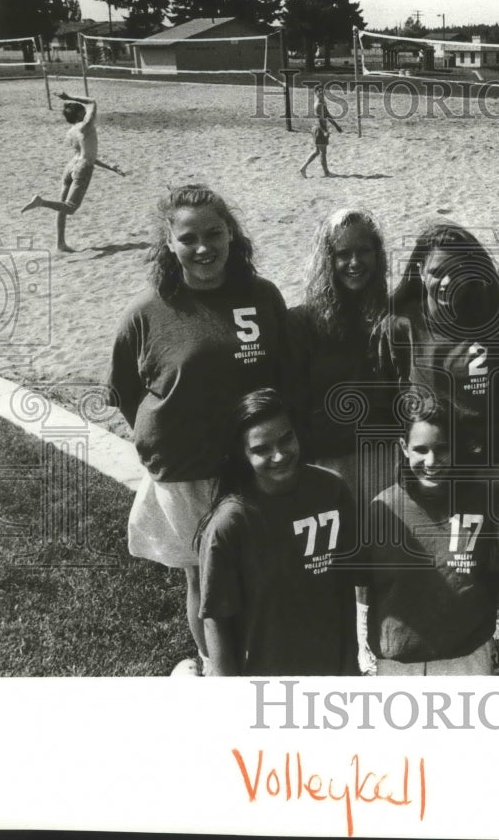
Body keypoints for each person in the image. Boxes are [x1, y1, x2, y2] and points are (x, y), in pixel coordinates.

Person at [107, 184, 288, 676]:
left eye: (214, 233)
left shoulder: (262, 296)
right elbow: (125, 389)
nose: (204, 247)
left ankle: (260, 660)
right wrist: (157, 438)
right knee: (204, 579)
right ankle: (216, 670)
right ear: (169, 242)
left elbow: (281, 373)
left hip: (252, 462)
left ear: (232, 233)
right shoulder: (147, 311)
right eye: (189, 238)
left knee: (258, 569)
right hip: (185, 468)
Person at [288, 206, 390, 675]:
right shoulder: (303, 322)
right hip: (328, 461)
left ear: (377, 255)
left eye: (363, 252)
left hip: (380, 454)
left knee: (373, 551)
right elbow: (292, 398)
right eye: (342, 254)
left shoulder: (388, 317)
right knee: (328, 557)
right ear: (326, 259)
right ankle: (334, 638)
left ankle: (369, 637)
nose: (354, 263)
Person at [196, 389, 359, 676]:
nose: (280, 455)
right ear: (242, 454)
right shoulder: (230, 523)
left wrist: (349, 667)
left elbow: (344, 587)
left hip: (330, 667)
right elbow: (216, 621)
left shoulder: (332, 490)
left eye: (287, 439)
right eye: (261, 449)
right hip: (263, 676)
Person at [362, 403, 499, 675]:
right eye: (420, 449)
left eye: (441, 449)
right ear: (404, 447)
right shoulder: (382, 508)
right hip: (399, 664)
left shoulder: (481, 502)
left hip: (467, 657)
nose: (431, 462)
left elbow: (495, 575)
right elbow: (364, 585)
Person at [376, 222, 499, 471]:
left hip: (490, 459)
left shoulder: (497, 321)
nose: (447, 282)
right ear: (421, 271)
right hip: (432, 464)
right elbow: (390, 390)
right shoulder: (401, 324)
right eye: (437, 272)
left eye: (458, 271)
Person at [21, 90, 127, 252]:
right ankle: (41, 202)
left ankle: (60, 244)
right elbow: (92, 101)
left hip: (70, 166)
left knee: (62, 207)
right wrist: (69, 97)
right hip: (82, 169)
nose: (86, 111)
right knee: (70, 207)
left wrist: (109, 167)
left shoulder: (70, 132)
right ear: (79, 114)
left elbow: (85, 154)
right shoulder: (86, 125)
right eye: (82, 110)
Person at [300, 85, 342, 178]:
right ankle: (326, 172)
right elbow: (319, 119)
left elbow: (327, 115)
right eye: (319, 91)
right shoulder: (319, 104)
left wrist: (336, 126)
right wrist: (324, 131)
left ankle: (303, 168)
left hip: (318, 128)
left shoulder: (322, 103)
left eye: (322, 91)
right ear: (316, 93)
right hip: (319, 129)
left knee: (317, 151)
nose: (321, 93)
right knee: (323, 152)